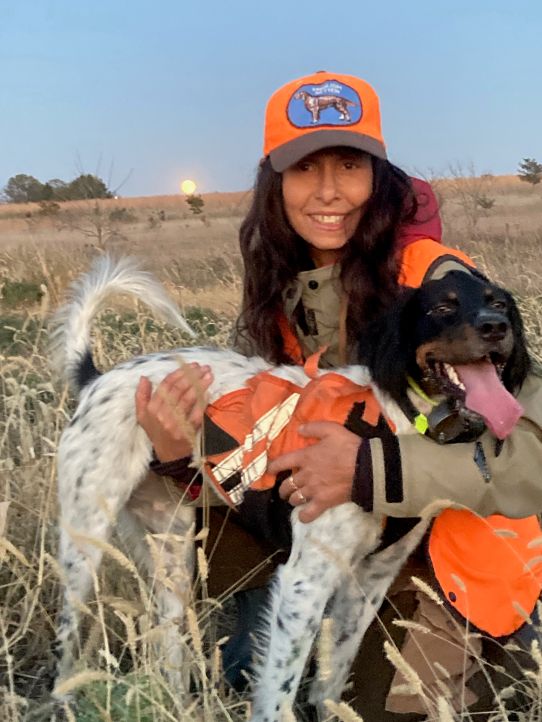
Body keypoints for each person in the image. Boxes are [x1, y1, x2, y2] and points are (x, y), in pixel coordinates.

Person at [135, 72, 542, 720]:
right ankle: (259, 640)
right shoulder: (291, 290)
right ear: (277, 185)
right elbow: (272, 448)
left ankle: (504, 651)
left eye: (350, 165)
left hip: (453, 564)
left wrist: (365, 470)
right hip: (347, 535)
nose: (328, 191)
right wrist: (182, 453)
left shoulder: (438, 284)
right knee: (186, 505)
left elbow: (531, 458)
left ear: (379, 178)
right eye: (305, 169)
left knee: (370, 708)